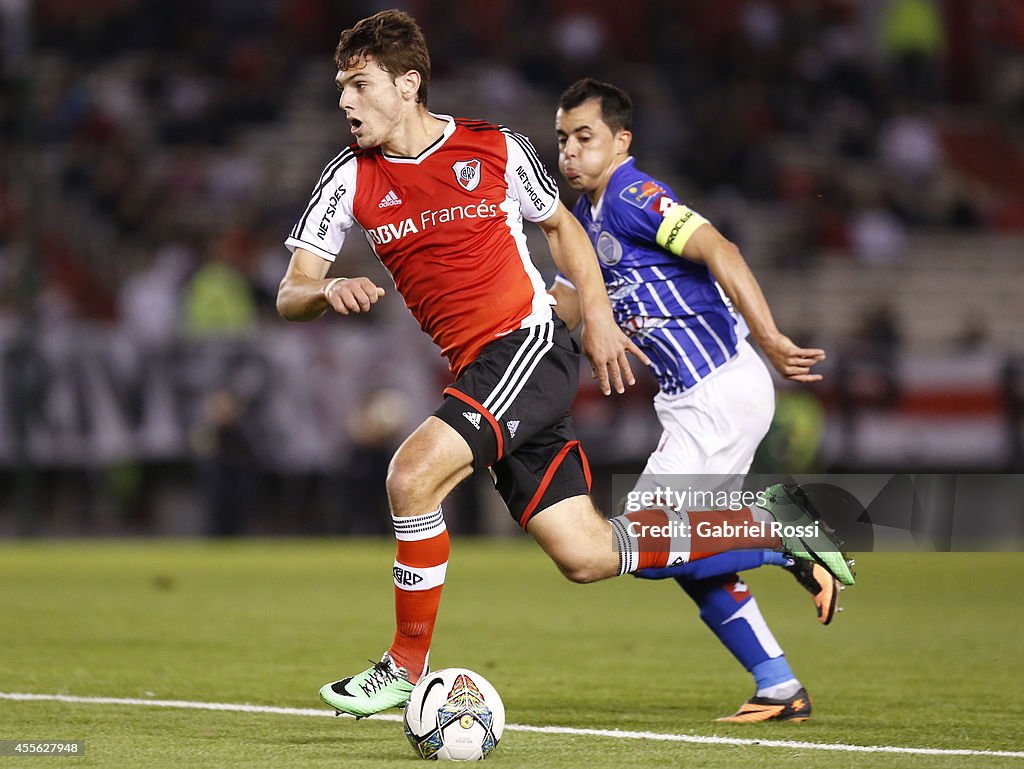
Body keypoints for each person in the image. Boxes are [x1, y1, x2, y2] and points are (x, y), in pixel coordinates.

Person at [276, 11, 853, 721]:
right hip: (480, 369)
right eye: (341, 88)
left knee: (411, 473)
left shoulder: (492, 148)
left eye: (360, 85)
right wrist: (326, 288)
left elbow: (561, 226)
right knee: (587, 552)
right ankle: (768, 531)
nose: (346, 102)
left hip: (527, 346)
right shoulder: (348, 177)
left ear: (408, 84)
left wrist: (601, 319)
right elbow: (291, 289)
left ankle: (403, 664)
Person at [551, 78, 842, 722]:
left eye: (585, 137)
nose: (570, 151)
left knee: (643, 543)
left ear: (620, 141)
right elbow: (567, 303)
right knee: (689, 553)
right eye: (563, 138)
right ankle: (778, 687)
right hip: (695, 398)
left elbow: (719, 248)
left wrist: (768, 336)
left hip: (718, 386)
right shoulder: (584, 218)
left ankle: (786, 535)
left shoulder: (632, 193)